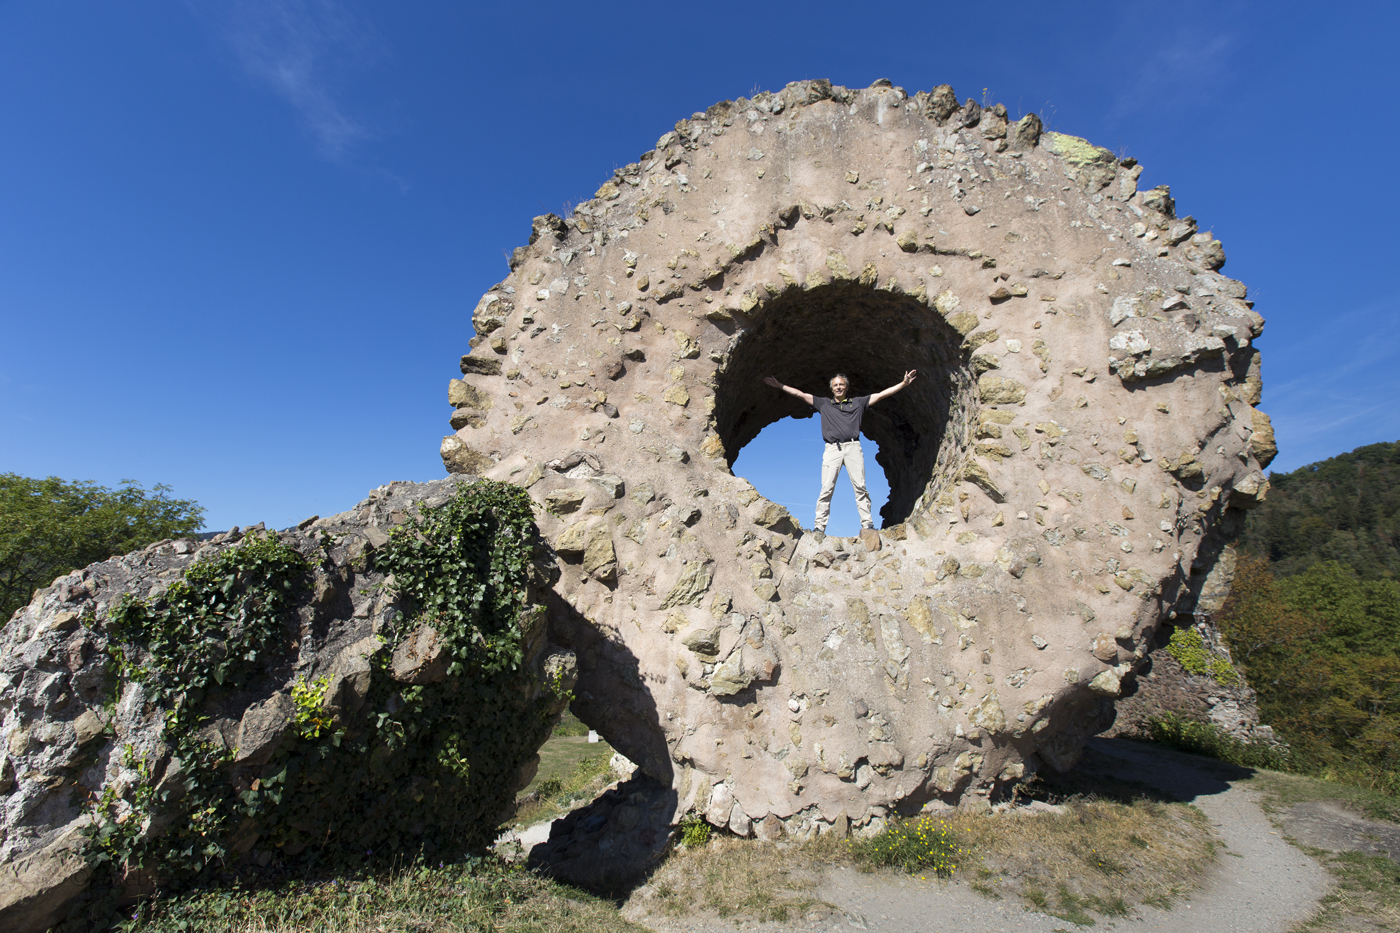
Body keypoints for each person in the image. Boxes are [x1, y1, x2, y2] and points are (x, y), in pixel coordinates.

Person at [762, 370, 917, 536]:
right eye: (835, 385)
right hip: (832, 449)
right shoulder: (824, 404)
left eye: (841, 384)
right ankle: (819, 527)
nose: (838, 387)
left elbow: (881, 395)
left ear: (847, 387)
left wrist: (903, 384)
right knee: (826, 488)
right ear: (831, 388)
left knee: (860, 487)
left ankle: (867, 524)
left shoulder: (858, 403)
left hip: (853, 448)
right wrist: (779, 385)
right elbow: (800, 394)